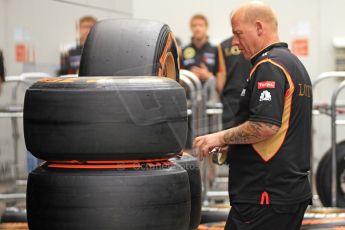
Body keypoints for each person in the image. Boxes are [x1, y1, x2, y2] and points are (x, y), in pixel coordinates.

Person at [193, 2, 312, 230]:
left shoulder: (269, 66)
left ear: (259, 27)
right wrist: (235, 148)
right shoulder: (294, 64)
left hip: (264, 196)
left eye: (238, 34)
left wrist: (219, 138)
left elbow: (265, 125)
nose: (235, 43)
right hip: (285, 193)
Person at [217, 37, 252, 129]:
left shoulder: (223, 45)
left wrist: (219, 94)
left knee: (229, 132)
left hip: (230, 95)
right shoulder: (252, 41)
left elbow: (221, 73)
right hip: (251, 92)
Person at [181, 14, 224, 83]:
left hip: (210, 91)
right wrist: (190, 76)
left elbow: (222, 75)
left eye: (201, 25)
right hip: (190, 91)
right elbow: (180, 75)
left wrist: (208, 76)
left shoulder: (215, 49)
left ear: (206, 28)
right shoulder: (183, 50)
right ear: (190, 28)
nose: (197, 29)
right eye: (194, 25)